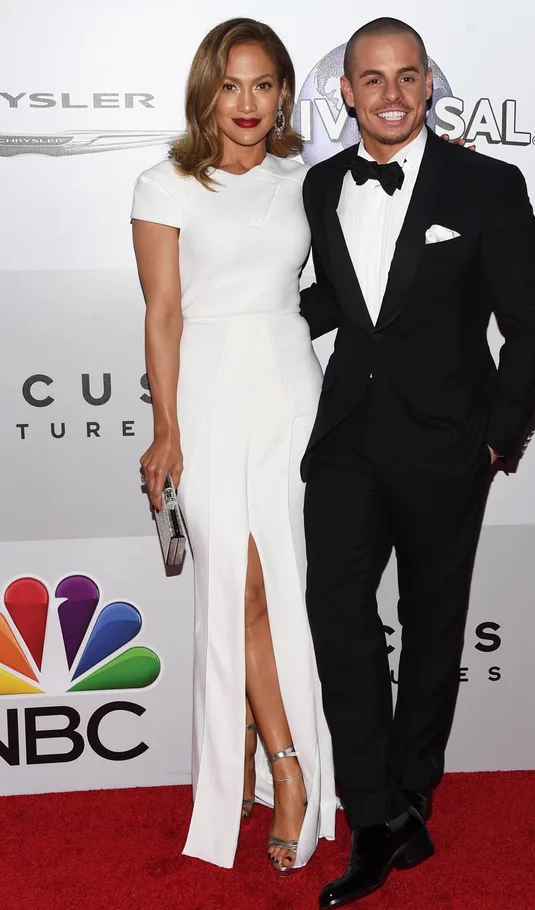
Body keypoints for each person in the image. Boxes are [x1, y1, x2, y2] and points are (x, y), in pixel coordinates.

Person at [299, 17, 535, 909]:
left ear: (428, 84)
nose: (392, 94)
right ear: (347, 92)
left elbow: (531, 322)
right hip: (346, 440)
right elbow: (340, 301)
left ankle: (411, 796)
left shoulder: (486, 184)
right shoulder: (322, 184)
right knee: (336, 613)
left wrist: (499, 437)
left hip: (448, 443)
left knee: (434, 623)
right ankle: (372, 812)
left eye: (408, 76)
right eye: (372, 79)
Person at [131, 18, 338, 873]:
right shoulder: (164, 184)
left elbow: (363, 260)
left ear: (284, 93)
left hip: (291, 390)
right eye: (229, 85)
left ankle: (262, 753)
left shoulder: (307, 179)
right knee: (239, 585)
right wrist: (166, 429)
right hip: (209, 395)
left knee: (285, 583)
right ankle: (286, 768)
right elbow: (163, 314)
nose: (246, 102)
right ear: (206, 92)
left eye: (262, 84)